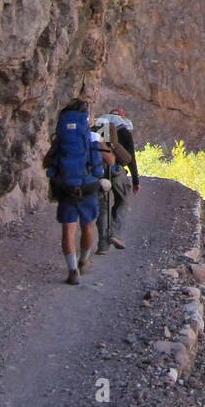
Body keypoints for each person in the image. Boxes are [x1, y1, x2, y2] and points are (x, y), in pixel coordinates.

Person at [43, 99, 107, 285]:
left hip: (65, 188)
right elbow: (100, 168)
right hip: (87, 188)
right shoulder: (92, 137)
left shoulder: (60, 139)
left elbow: (46, 163)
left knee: (68, 230)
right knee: (88, 226)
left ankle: (72, 271)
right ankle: (84, 260)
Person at [94, 107, 139, 251]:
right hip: (117, 170)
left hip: (99, 170)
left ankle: (102, 245)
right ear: (122, 117)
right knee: (123, 201)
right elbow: (130, 158)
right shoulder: (124, 131)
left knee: (103, 205)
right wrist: (136, 181)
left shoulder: (98, 128)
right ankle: (116, 233)